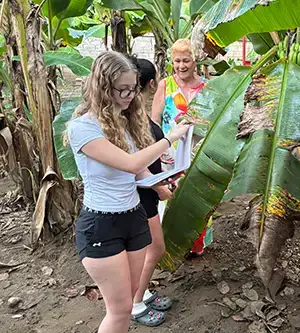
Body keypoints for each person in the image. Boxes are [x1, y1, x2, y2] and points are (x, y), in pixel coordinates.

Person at [67, 51, 191, 333]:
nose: (129, 96)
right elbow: (132, 162)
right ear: (102, 87)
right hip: (102, 225)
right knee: (119, 308)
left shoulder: (125, 121)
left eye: (132, 89)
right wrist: (170, 139)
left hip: (133, 218)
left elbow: (138, 172)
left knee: (130, 296)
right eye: (122, 90)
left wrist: (163, 181)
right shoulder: (82, 128)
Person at [126, 56, 175, 326]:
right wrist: (159, 187)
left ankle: (141, 292)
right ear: (152, 83)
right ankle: (134, 304)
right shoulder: (133, 118)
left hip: (149, 190)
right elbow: (137, 163)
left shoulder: (137, 114)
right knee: (155, 249)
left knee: (148, 249)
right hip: (144, 193)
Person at [151, 38, 208, 257]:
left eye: (186, 60)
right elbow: (154, 121)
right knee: (170, 197)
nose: (181, 66)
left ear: (195, 61)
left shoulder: (206, 86)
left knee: (198, 196)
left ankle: (195, 245)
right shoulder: (165, 85)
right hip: (169, 152)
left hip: (197, 148)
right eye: (177, 61)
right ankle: (169, 246)